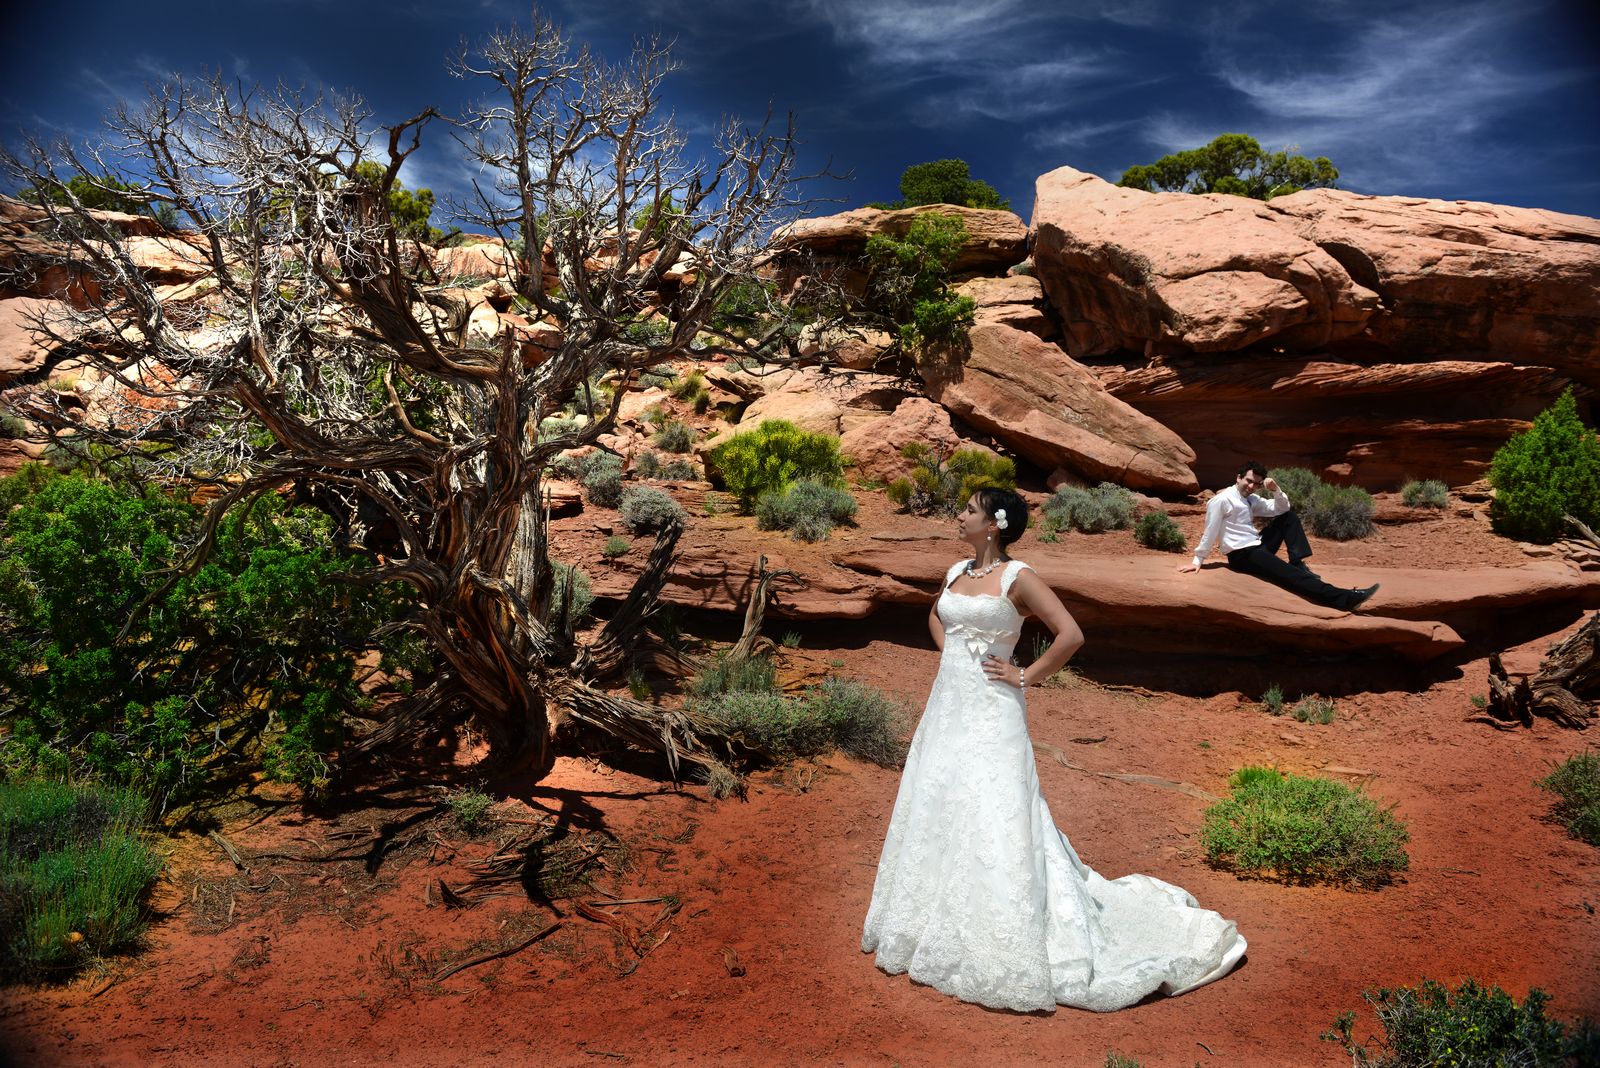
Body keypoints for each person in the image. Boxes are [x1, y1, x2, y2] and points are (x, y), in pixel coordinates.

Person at [861, 488, 1247, 1013]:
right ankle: (931, 911)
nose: (959, 515)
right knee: (941, 793)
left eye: (969, 510)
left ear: (993, 524)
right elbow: (938, 616)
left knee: (997, 803)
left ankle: (1007, 922)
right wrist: (954, 655)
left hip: (995, 710)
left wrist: (1023, 675)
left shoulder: (1020, 577)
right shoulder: (956, 571)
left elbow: (1070, 635)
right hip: (948, 707)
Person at [1178, 461, 1379, 611]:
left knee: (1288, 517)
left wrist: (1275, 490)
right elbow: (1210, 529)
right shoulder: (1221, 500)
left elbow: (1281, 509)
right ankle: (1345, 599)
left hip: (1257, 545)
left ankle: (1297, 561)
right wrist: (1198, 559)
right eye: (1248, 481)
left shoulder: (1251, 499)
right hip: (1243, 555)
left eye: (1256, 484)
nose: (1251, 486)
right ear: (1238, 477)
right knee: (1289, 576)